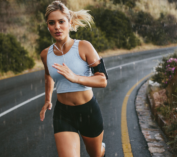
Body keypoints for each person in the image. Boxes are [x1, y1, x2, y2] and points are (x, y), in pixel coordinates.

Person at [39, 1, 107, 157]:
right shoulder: (45, 54)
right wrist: (48, 99)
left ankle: (101, 148)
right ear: (47, 26)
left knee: (96, 154)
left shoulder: (84, 47)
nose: (57, 27)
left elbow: (102, 80)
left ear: (69, 23)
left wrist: (76, 78)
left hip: (88, 111)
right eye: (52, 23)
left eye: (61, 21)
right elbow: (48, 75)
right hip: (64, 114)